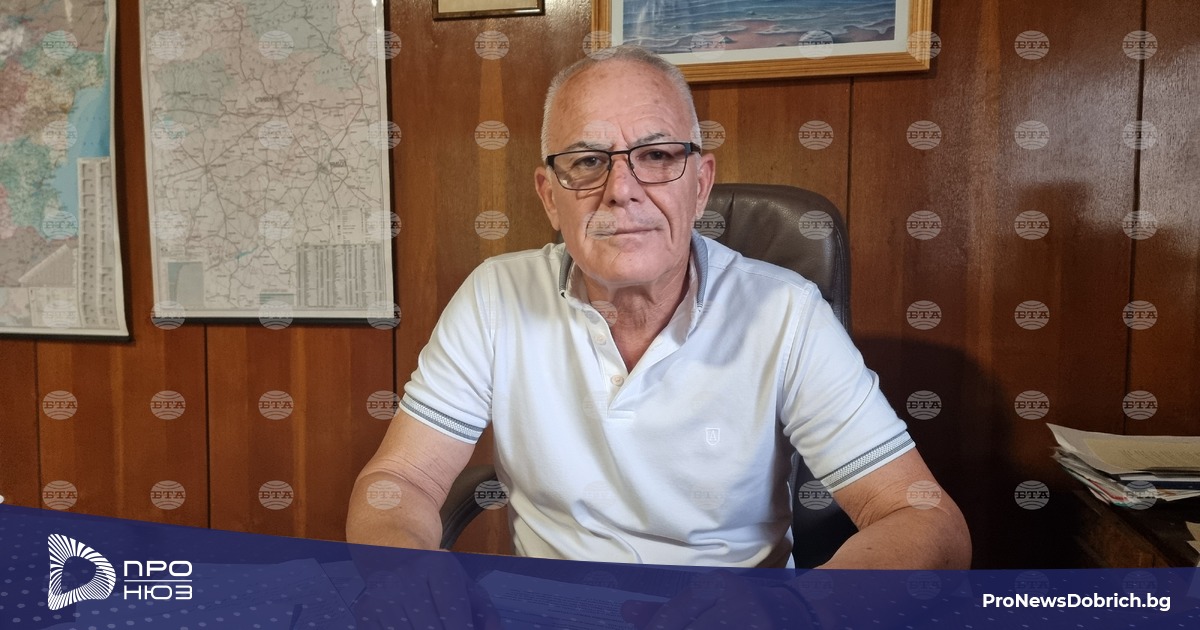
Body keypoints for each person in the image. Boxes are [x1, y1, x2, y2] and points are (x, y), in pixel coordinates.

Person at [347, 45, 970, 571]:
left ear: (700, 184)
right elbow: (400, 482)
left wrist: (803, 611)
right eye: (587, 161)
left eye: (658, 155)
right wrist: (407, 581)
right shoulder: (495, 296)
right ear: (549, 197)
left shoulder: (787, 313)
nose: (621, 190)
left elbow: (922, 515)